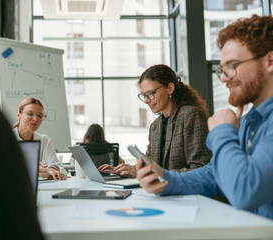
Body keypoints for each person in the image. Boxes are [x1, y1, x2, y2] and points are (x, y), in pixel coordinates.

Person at [136, 15, 273, 220]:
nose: (224, 78)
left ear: (269, 61)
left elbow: (246, 190)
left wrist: (223, 133)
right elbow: (216, 174)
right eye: (222, 70)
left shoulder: (239, 124)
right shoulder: (248, 120)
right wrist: (166, 179)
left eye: (232, 65)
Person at [99, 64, 212, 178]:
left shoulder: (191, 115)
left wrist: (158, 173)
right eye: (144, 95)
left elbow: (201, 169)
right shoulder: (155, 126)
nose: (146, 101)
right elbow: (150, 165)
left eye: (151, 93)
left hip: (187, 193)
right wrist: (129, 170)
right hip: (163, 191)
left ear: (170, 88)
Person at [12, 97, 67, 180]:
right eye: (30, 114)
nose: (35, 119)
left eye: (40, 116)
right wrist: (32, 169)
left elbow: (62, 170)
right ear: (18, 115)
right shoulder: (5, 138)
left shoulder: (44, 140)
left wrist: (52, 170)